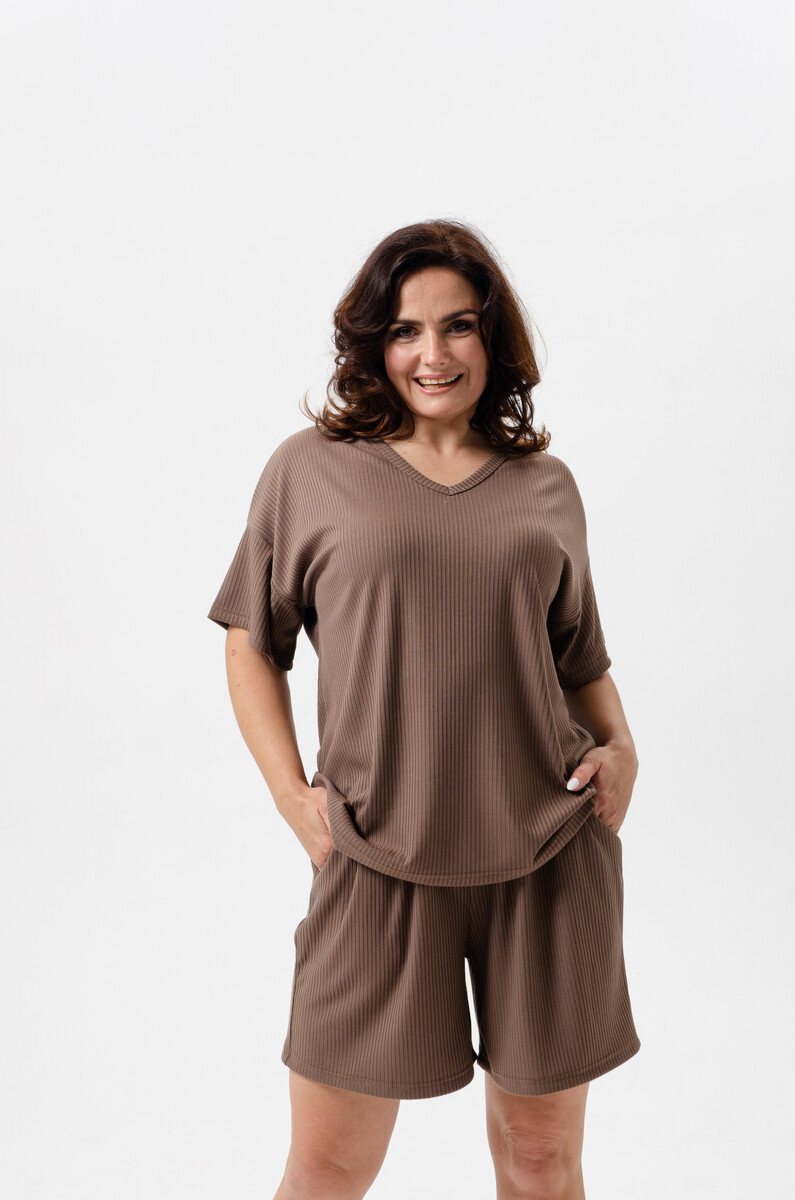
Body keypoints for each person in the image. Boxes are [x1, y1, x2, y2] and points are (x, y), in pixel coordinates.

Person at [207, 218, 641, 1200]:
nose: (432, 354)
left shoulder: (545, 486)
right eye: (405, 330)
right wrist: (293, 799)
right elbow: (250, 642)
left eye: (458, 326)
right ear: (374, 343)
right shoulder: (309, 470)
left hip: (546, 853)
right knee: (328, 1168)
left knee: (542, 1163)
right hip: (372, 854)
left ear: (493, 337)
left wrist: (622, 748)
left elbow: (578, 658)